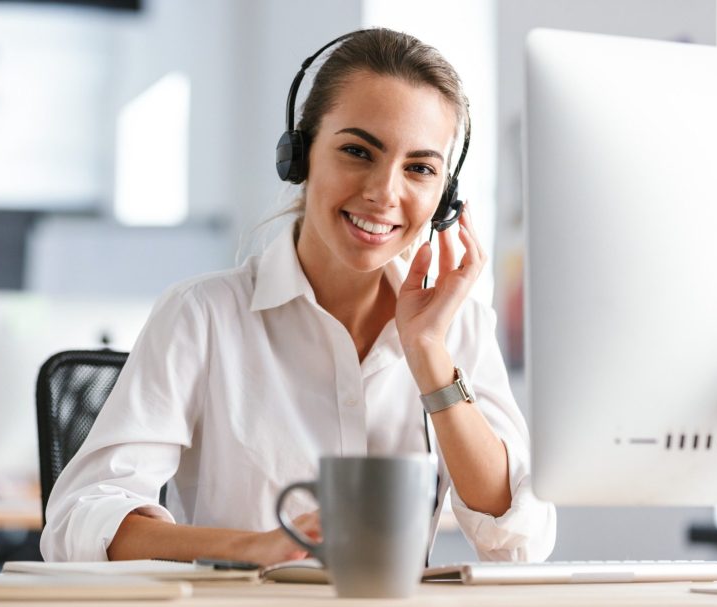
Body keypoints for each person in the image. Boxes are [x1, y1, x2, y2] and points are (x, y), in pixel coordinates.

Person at [41, 28, 556, 565]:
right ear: (300, 156)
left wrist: (430, 357)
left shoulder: (458, 328)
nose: (384, 193)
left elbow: (519, 540)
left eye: (420, 168)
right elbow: (81, 520)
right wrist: (257, 547)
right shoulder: (202, 315)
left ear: (444, 196)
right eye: (358, 151)